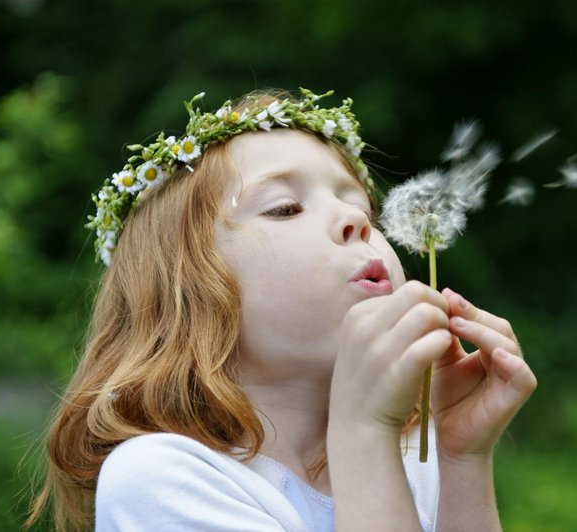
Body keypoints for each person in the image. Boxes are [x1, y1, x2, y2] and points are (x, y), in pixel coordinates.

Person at [27, 88, 537, 531]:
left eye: (363, 209)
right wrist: (363, 435)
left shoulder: (414, 457)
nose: (354, 222)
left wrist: (461, 457)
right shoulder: (162, 477)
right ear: (187, 292)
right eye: (285, 208)